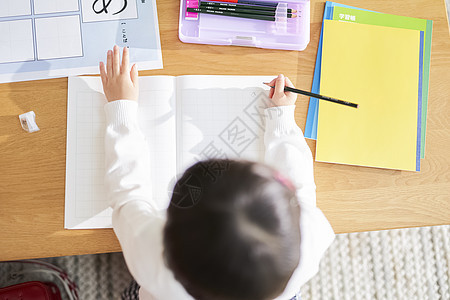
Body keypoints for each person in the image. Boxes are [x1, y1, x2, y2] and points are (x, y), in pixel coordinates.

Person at [100, 46, 335, 300]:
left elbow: (128, 195)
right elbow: (299, 185)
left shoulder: (151, 257)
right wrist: (282, 118)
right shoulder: (309, 236)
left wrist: (121, 110)